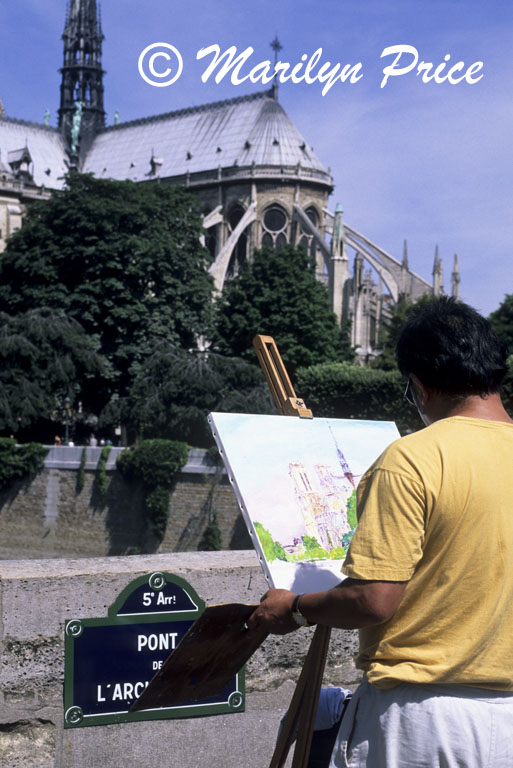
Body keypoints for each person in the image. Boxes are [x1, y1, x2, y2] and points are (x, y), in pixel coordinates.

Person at [247, 296, 513, 767]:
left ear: (419, 385)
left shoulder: (411, 459)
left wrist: (296, 608)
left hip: (423, 721)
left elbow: (374, 600)